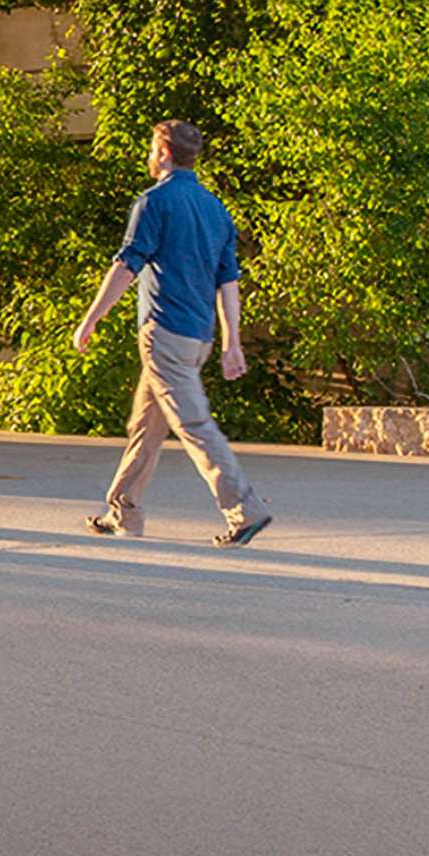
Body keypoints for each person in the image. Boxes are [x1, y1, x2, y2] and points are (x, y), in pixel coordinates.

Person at [72, 118, 271, 545]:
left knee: (194, 423)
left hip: (164, 332)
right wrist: (232, 342)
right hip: (198, 337)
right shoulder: (215, 209)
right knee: (145, 424)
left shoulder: (154, 202)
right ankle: (124, 511)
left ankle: (244, 508)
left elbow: (127, 265)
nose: (149, 155)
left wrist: (91, 318)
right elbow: (228, 282)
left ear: (163, 152)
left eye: (151, 148)